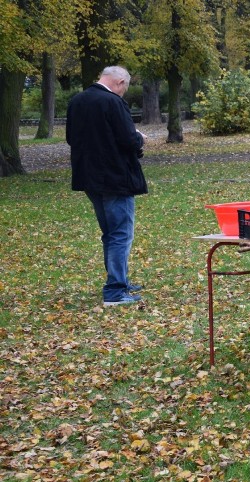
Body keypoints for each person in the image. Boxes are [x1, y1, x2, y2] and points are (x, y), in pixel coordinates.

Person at [66, 66, 148, 307]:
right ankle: (115, 290)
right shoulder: (113, 102)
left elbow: (72, 138)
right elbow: (127, 139)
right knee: (121, 233)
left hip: (89, 177)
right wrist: (140, 138)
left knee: (110, 233)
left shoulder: (77, 101)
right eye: (125, 88)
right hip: (115, 177)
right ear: (120, 82)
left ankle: (118, 280)